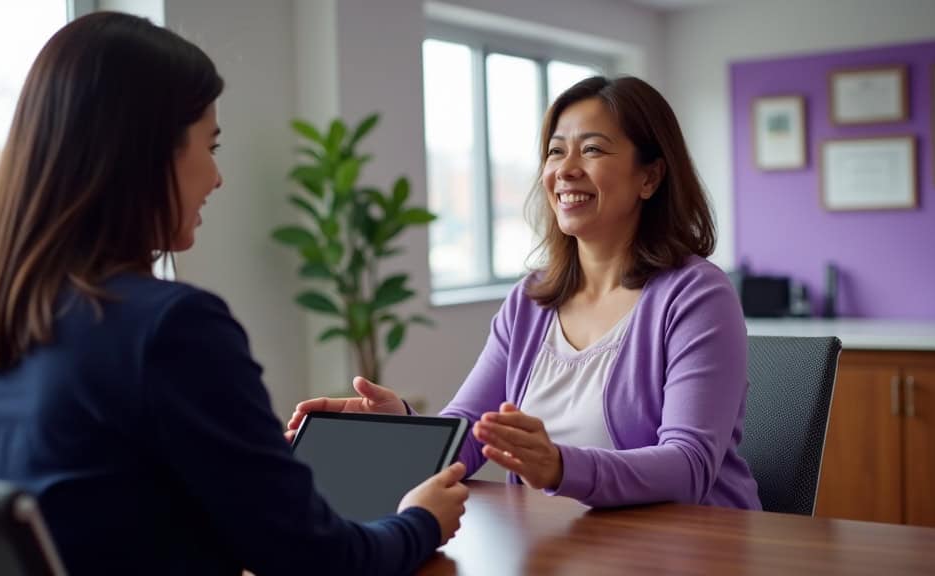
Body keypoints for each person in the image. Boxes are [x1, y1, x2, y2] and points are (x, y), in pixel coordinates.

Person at [0, 12, 467, 575]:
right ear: (147, 154)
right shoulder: (169, 327)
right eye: (209, 145)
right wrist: (421, 520)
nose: (217, 177)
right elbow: (317, 559)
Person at [287, 76, 761, 511]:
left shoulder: (696, 296)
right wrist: (403, 426)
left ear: (650, 177)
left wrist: (559, 466)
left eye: (592, 150)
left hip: (685, 549)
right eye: (556, 152)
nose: (566, 170)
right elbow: (472, 434)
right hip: (557, 547)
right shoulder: (530, 300)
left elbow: (688, 466)